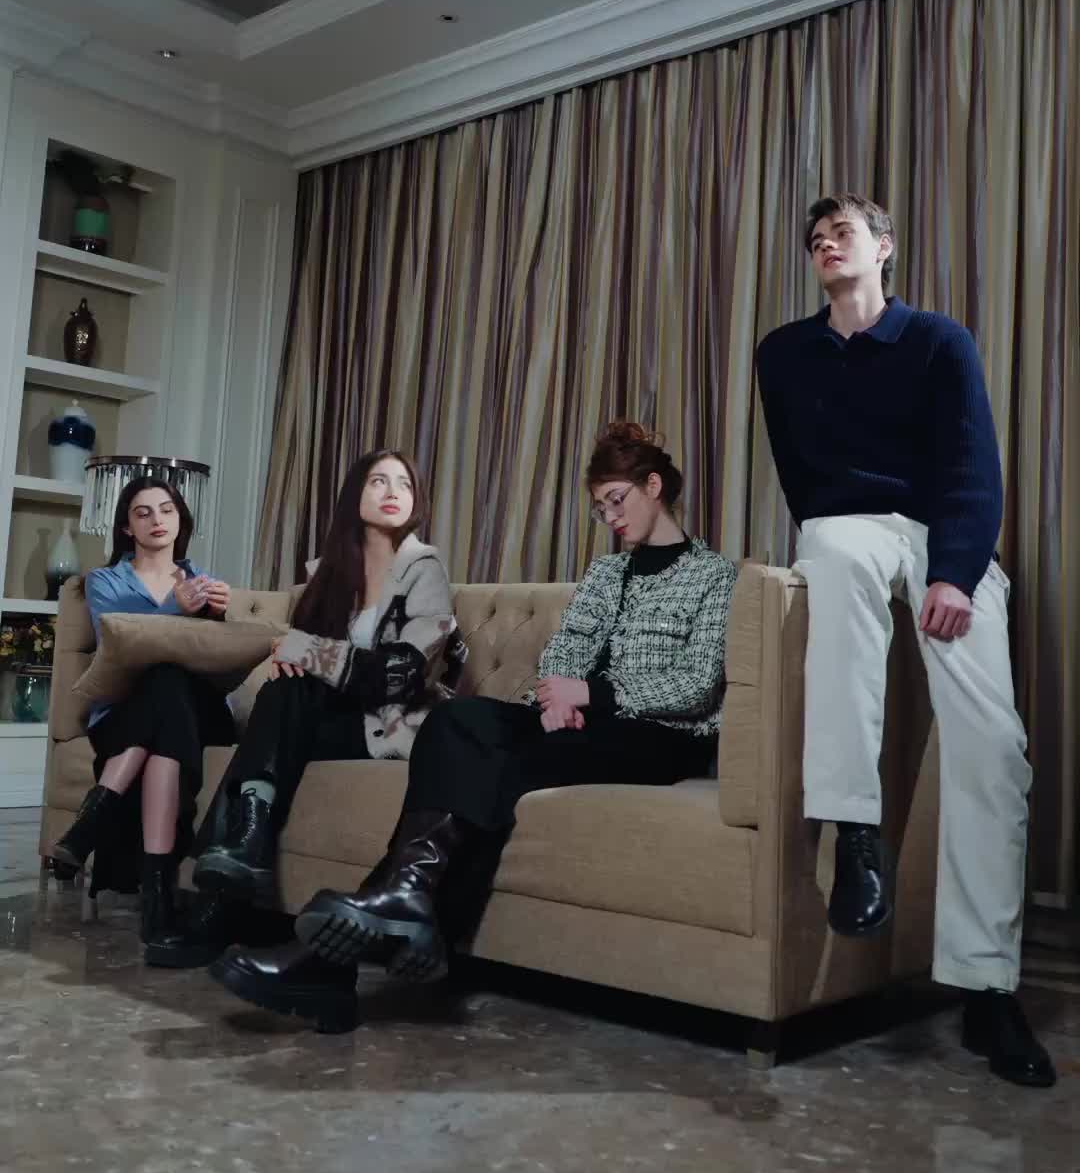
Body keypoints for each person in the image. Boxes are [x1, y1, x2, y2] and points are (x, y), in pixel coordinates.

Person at [216, 422, 738, 1029]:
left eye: (617, 500)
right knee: (457, 721)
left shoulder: (714, 575)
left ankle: (333, 964)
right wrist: (556, 698)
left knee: (488, 771)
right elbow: (564, 652)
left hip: (656, 737)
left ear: (653, 486)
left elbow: (697, 684)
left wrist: (593, 693)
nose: (610, 517)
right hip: (574, 722)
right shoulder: (606, 573)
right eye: (600, 508)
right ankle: (404, 903)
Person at [755, 192, 1054, 1088]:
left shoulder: (938, 342)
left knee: (994, 749)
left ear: (884, 246)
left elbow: (973, 467)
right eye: (815, 238)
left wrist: (954, 572)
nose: (826, 244)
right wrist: (832, 525)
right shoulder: (783, 353)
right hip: (844, 523)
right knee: (836, 556)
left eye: (842, 231)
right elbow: (800, 474)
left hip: (938, 534)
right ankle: (855, 833)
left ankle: (987, 988)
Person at [201, 450, 461, 1031]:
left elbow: (400, 675)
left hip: (390, 724)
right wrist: (296, 658)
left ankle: (228, 883)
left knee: (288, 698)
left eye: (404, 483)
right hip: (335, 719)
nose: (392, 491)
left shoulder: (424, 569)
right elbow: (310, 664)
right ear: (354, 495)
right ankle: (242, 852)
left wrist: (304, 652)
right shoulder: (329, 575)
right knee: (284, 694)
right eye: (378, 481)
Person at [51, 476, 233, 968]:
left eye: (166, 510)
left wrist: (219, 616)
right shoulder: (105, 581)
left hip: (198, 712)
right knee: (162, 683)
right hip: (125, 711)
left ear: (180, 520)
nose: (157, 520)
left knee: (171, 682)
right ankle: (157, 898)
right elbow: (126, 643)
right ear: (127, 527)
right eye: (143, 512)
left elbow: (214, 658)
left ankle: (94, 816)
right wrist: (178, 607)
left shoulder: (202, 578)